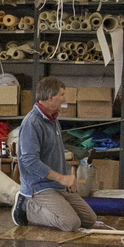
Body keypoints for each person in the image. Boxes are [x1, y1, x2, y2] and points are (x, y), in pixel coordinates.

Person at [15, 76, 98, 232]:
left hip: (57, 184)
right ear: (50, 97)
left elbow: (55, 154)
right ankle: (27, 208)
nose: (64, 98)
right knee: (71, 223)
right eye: (62, 95)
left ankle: (52, 206)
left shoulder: (53, 120)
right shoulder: (32, 123)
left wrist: (66, 177)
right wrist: (61, 178)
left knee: (89, 219)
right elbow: (29, 160)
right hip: (38, 186)